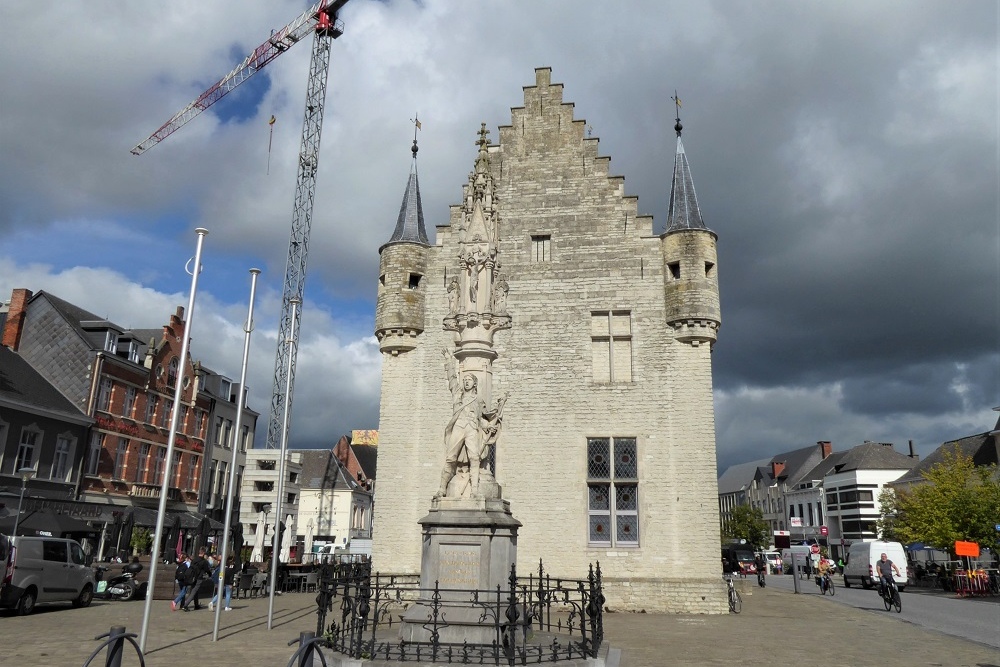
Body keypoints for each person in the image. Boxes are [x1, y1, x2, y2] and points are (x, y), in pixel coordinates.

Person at [434, 351, 506, 499]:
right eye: (465, 379)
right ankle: (442, 489)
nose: (466, 381)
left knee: (474, 458)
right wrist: (448, 361)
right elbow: (452, 379)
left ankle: (474, 490)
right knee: (450, 458)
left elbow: (481, 418)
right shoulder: (457, 395)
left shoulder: (478, 400)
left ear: (474, 383)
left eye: (469, 380)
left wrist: (487, 426)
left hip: (472, 429)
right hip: (459, 426)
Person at [181, 547, 212, 611]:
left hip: (192, 577)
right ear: (203, 553)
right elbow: (207, 570)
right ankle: (185, 605)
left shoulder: (194, 560)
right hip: (199, 578)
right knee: (194, 591)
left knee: (195, 591)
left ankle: (196, 605)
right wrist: (210, 575)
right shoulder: (204, 561)